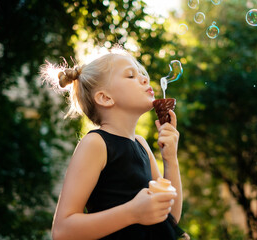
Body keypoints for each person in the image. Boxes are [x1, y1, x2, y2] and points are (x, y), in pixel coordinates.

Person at [43, 48, 187, 240]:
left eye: (142, 74)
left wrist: (170, 158)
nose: (145, 79)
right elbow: (62, 231)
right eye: (130, 75)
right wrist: (133, 212)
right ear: (105, 98)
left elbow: (169, 218)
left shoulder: (142, 145)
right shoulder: (96, 143)